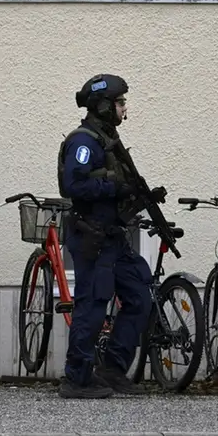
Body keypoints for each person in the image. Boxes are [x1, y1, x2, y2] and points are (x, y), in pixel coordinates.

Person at [57, 74, 165, 399]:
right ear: (103, 105)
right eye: (120, 103)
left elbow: (119, 186)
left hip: (114, 238)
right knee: (92, 305)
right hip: (92, 238)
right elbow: (72, 186)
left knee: (139, 296)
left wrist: (139, 194)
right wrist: (113, 187)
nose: (124, 109)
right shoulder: (84, 142)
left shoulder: (108, 140)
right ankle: (77, 378)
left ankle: (113, 369)